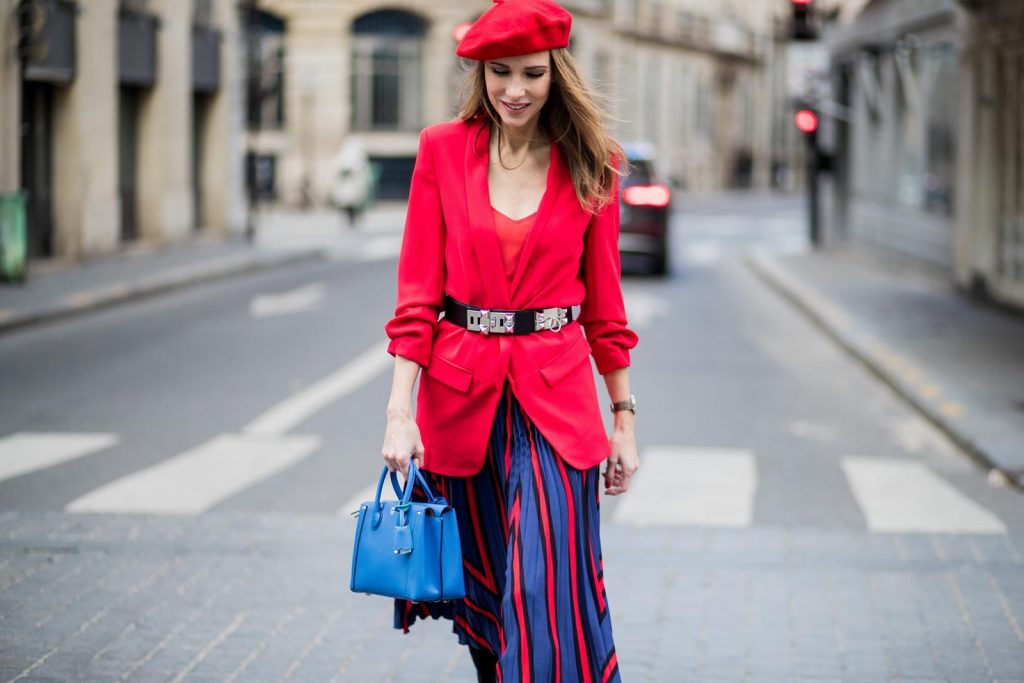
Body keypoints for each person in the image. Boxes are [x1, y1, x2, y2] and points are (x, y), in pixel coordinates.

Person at [380, 0, 639, 680]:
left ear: (557, 73)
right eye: (500, 73)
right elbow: (416, 301)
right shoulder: (442, 150)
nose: (515, 91)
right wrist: (399, 414)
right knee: (488, 597)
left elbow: (606, 314)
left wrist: (624, 418)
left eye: (531, 73)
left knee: (542, 583)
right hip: (462, 401)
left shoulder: (594, 162)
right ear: (481, 73)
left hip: (557, 403)